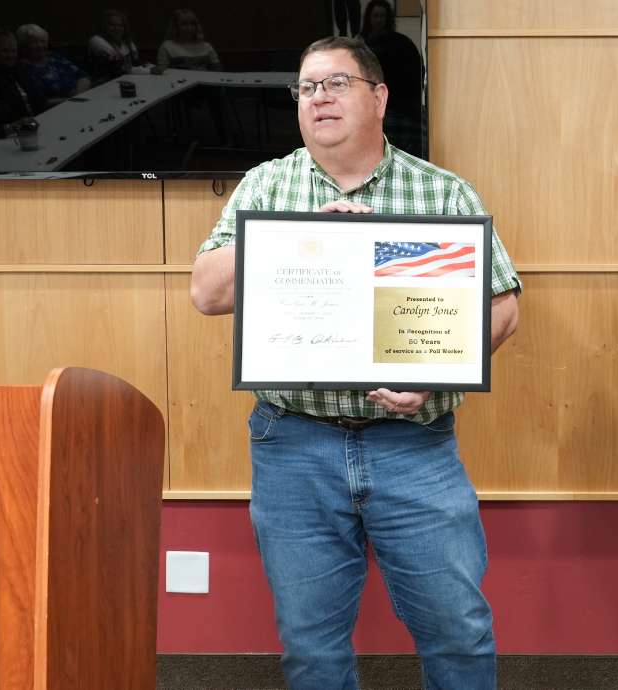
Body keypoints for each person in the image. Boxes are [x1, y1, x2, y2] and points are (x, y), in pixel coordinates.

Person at [190, 36, 521, 690]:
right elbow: (206, 292)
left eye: (335, 83)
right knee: (312, 645)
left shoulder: (441, 193)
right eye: (307, 88)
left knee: (457, 630)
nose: (318, 98)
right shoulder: (266, 185)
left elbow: (503, 307)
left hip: (414, 448)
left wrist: (433, 378)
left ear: (379, 97)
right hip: (293, 444)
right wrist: (301, 236)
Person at [358, 0, 423, 156]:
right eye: (375, 16)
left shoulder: (401, 43)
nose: (379, 20)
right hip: (371, 107)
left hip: (400, 109)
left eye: (383, 16)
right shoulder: (360, 44)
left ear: (388, 19)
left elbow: (416, 74)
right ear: (369, 18)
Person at [16, 23, 90, 111]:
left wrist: (78, 95)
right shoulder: (24, 69)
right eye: (34, 42)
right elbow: (41, 103)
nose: (40, 46)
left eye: (42, 41)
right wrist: (72, 100)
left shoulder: (55, 57)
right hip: (58, 109)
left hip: (81, 99)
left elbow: (83, 76)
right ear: (24, 46)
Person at [86, 9, 145, 83]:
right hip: (102, 84)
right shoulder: (97, 40)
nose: (117, 28)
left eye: (120, 25)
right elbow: (117, 69)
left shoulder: (126, 42)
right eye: (112, 25)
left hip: (126, 80)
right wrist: (147, 70)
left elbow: (136, 63)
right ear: (104, 26)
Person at [153, 9, 221, 73]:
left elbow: (217, 69)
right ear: (176, 27)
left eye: (192, 24)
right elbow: (162, 69)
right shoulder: (167, 46)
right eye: (184, 24)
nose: (189, 28)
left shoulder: (206, 46)